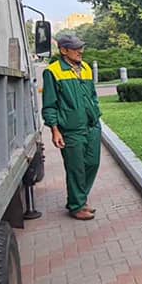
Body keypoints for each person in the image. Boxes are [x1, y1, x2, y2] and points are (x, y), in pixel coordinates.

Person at [42, 34, 101, 220]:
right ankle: (77, 206)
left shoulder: (86, 68)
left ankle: (80, 199)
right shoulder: (53, 72)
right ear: (63, 50)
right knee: (76, 168)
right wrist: (54, 130)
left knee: (92, 163)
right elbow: (49, 104)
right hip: (71, 129)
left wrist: (96, 111)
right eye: (76, 48)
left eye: (81, 47)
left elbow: (92, 95)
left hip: (92, 125)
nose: (80, 51)